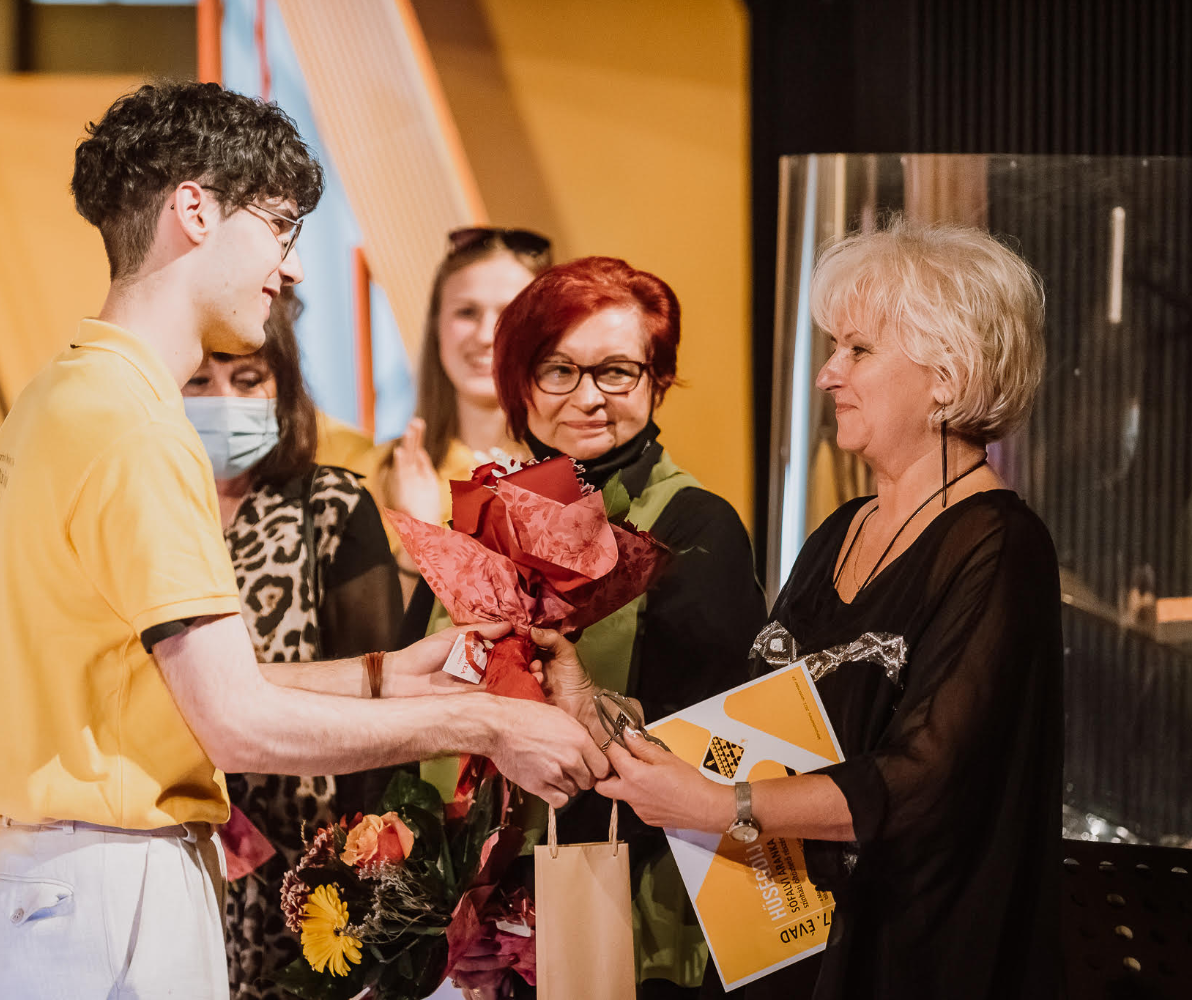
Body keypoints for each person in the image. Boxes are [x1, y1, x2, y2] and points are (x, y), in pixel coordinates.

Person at [0, 82, 607, 999]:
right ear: (194, 211)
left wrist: (387, 674)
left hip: (70, 878)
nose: (289, 270)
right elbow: (235, 722)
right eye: (280, 226)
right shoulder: (136, 427)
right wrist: (492, 723)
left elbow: (161, 691)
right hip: (112, 883)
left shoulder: (66, 394)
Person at [551, 219, 1062, 999]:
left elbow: (926, 779)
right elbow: (742, 731)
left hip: (904, 967)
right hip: (785, 953)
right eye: (834, 347)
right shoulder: (839, 532)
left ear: (948, 377)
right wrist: (595, 711)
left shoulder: (1000, 545)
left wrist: (720, 806)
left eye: (859, 349)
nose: (828, 374)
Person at [491, 256, 768, 997]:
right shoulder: (490, 517)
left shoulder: (694, 528)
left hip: (627, 913)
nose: (588, 398)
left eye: (616, 371)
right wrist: (464, 910)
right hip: (490, 926)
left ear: (656, 381)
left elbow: (712, 746)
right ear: (521, 384)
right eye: (559, 370)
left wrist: (536, 908)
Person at [179, 287, 405, 999]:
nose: (224, 401)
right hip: (176, 857)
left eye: (248, 380)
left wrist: (363, 884)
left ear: (283, 389)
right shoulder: (152, 514)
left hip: (307, 874)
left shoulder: (329, 506)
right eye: (199, 381)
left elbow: (381, 704)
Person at [366, 227, 550, 609]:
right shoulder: (380, 472)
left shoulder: (574, 475)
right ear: (436, 327)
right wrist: (420, 534)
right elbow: (376, 633)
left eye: (510, 314)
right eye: (467, 312)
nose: (485, 335)